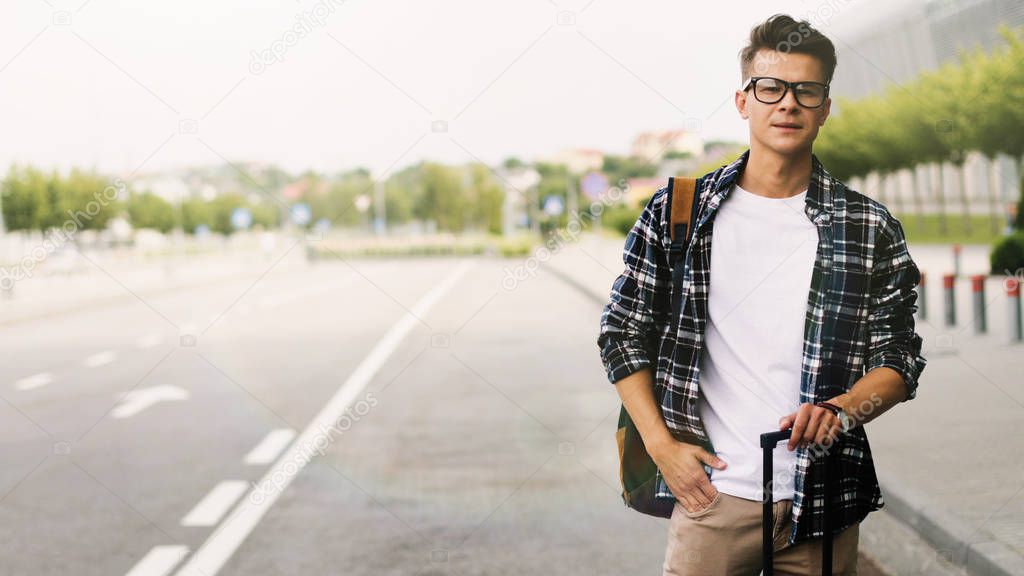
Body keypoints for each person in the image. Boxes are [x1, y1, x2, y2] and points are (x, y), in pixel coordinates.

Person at [596, 13, 927, 576]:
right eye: (770, 88)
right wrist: (661, 448)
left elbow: (899, 359)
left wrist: (843, 410)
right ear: (743, 100)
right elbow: (622, 333)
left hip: (823, 499)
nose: (788, 103)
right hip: (714, 497)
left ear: (825, 107)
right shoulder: (682, 211)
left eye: (807, 90)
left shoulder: (866, 227)